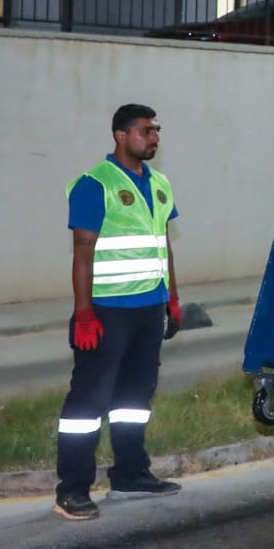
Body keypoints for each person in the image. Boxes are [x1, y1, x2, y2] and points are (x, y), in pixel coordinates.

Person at [53, 103, 185, 520]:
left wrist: (173, 298)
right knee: (88, 402)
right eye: (146, 131)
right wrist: (84, 312)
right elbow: (82, 253)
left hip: (149, 307)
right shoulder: (95, 184)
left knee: (135, 397)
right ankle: (71, 490)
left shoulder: (160, 183)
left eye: (156, 130)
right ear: (121, 136)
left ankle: (130, 473)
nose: (155, 138)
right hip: (107, 312)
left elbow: (163, 246)